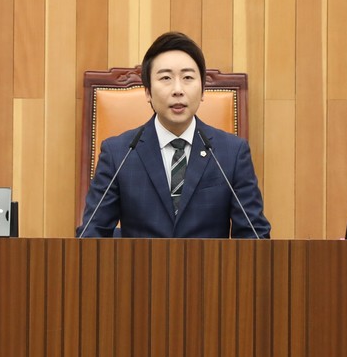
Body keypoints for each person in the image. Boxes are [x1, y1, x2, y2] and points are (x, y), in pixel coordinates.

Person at [77, 31, 271, 238]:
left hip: (210, 260)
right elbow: (91, 235)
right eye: (166, 78)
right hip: (140, 260)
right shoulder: (119, 153)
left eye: (188, 78)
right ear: (148, 92)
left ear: (203, 90)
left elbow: (254, 237)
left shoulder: (232, 153)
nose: (178, 90)